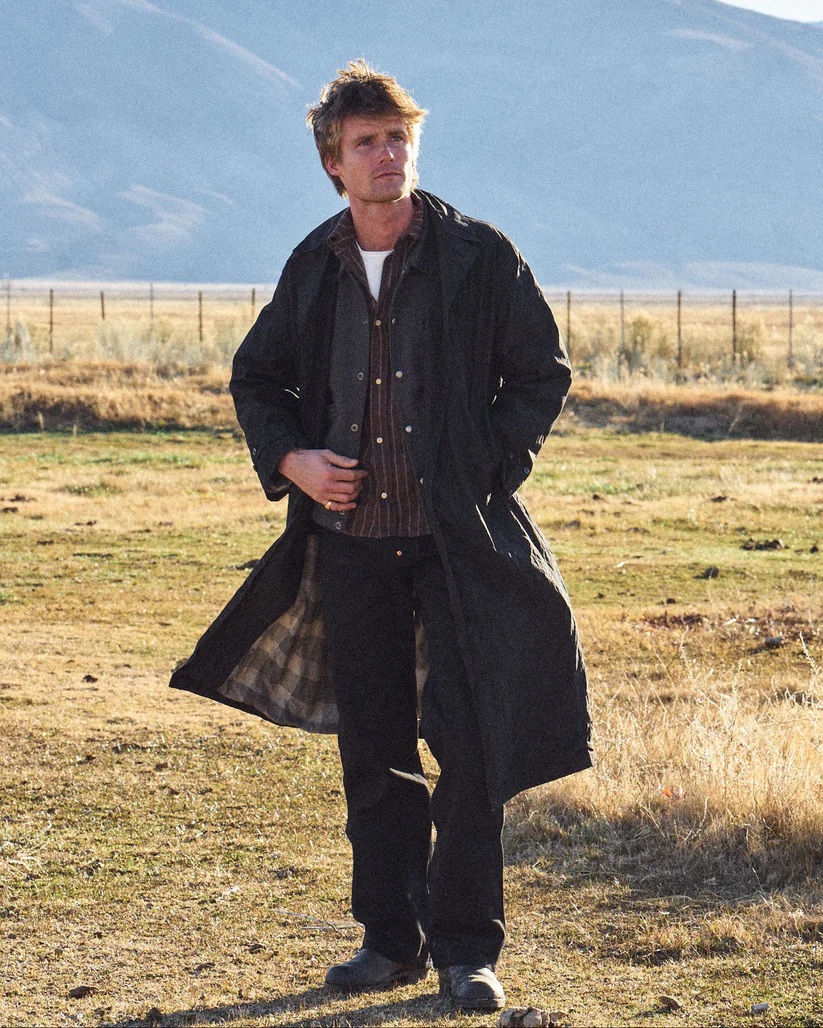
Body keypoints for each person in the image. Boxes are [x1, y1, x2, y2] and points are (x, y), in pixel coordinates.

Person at [170, 59, 591, 1013]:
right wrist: (294, 461)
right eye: (366, 142)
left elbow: (541, 373)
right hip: (350, 546)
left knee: (470, 749)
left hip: (457, 544)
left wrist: (484, 470)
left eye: (398, 136)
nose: (386, 154)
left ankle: (467, 953)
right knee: (374, 751)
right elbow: (257, 380)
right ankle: (389, 942)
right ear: (334, 162)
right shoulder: (313, 265)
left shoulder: (478, 255)